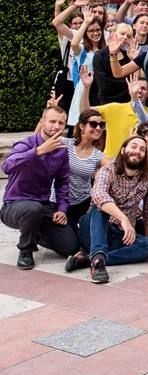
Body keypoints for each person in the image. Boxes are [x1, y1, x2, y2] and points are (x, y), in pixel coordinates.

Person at [0, 106, 79, 269]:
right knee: (32, 209)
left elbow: (62, 184)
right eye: (52, 121)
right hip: (13, 205)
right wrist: (38, 151)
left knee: (70, 247)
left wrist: (62, 209)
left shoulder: (61, 152)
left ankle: (34, 232)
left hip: (43, 206)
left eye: (61, 123)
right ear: (42, 122)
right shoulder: (25, 144)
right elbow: (7, 167)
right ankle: (26, 250)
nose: (56, 126)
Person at [75, 136, 148, 283]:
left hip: (120, 235)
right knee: (100, 208)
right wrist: (123, 218)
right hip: (93, 229)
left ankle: (93, 259)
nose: (137, 151)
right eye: (134, 146)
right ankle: (98, 262)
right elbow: (99, 195)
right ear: (123, 150)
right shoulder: (107, 170)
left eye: (142, 149)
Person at [63, 109, 108, 232]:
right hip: (58, 202)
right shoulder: (66, 144)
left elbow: (114, 170)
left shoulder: (98, 156)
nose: (98, 128)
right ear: (82, 126)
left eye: (101, 125)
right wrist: (44, 118)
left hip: (82, 203)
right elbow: (37, 141)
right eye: (93, 124)